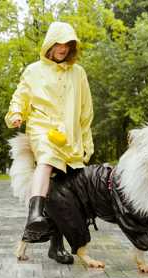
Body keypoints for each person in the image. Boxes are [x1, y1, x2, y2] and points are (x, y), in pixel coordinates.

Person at [5, 21, 94, 264]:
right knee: (45, 161)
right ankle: (35, 214)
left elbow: (86, 112)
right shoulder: (33, 70)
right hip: (42, 128)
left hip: (70, 136)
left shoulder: (79, 73)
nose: (63, 49)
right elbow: (20, 96)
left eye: (68, 45)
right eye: (59, 44)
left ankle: (56, 246)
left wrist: (87, 141)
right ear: (50, 44)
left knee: (64, 192)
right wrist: (16, 114)